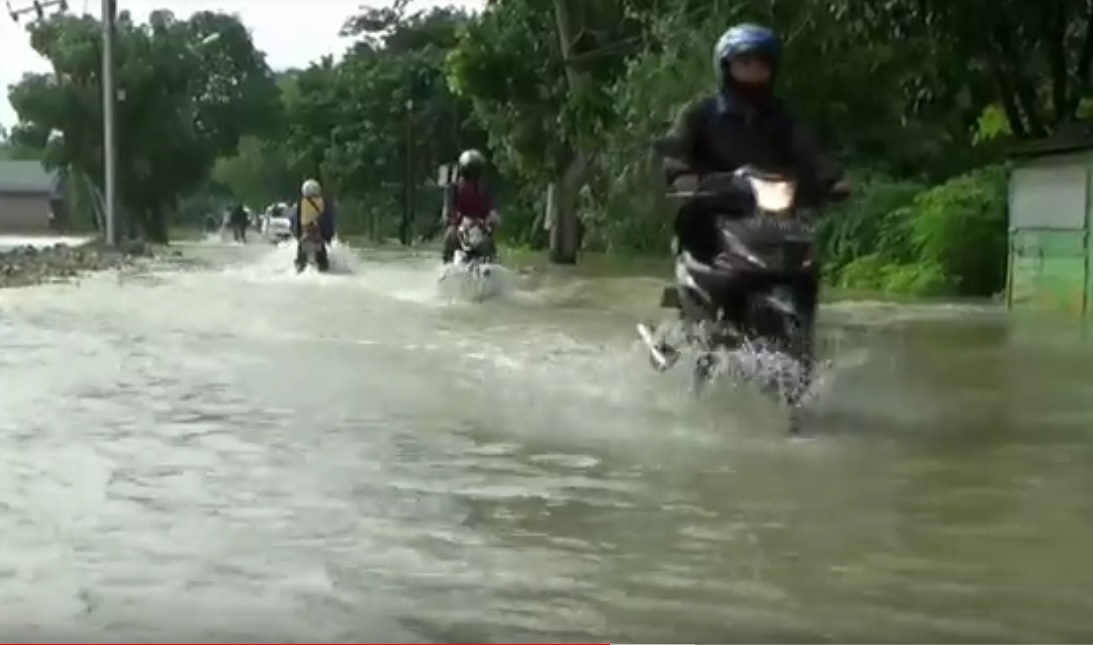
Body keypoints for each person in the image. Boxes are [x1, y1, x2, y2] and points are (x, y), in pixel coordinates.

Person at [661, 23, 849, 264]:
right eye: (745, 63)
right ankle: (697, 276)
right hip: (718, 202)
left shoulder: (783, 117)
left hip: (772, 210)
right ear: (727, 66)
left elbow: (809, 149)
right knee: (695, 228)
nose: (754, 70)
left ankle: (798, 289)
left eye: (762, 64)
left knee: (804, 258)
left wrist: (832, 179)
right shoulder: (700, 114)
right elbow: (677, 150)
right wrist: (683, 177)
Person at [441, 149, 500, 264]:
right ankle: (446, 268)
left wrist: (492, 219)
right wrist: (451, 219)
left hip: (480, 227)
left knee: (489, 245)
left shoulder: (485, 189)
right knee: (449, 237)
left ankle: (492, 265)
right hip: (459, 227)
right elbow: (448, 209)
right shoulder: (453, 189)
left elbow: (492, 210)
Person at [292, 178, 335, 271]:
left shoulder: (300, 203)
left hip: (305, 234)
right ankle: (322, 265)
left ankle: (300, 265)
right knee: (323, 261)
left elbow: (295, 221)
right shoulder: (323, 202)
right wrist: (328, 236)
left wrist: (296, 235)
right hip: (318, 234)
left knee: (300, 258)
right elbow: (328, 221)